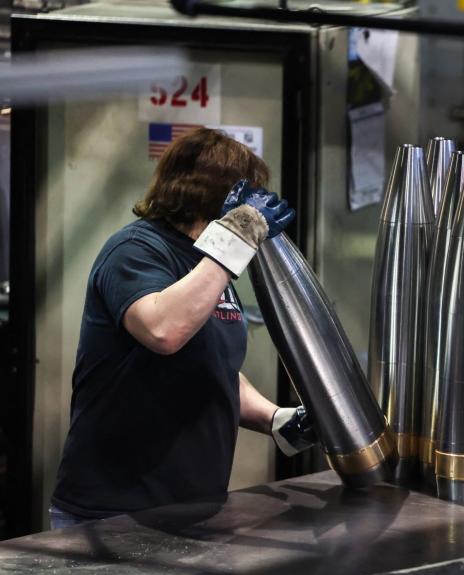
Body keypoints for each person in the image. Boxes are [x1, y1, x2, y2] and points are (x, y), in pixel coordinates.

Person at [49, 128, 316, 529]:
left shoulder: (205, 263)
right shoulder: (135, 250)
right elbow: (164, 331)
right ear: (215, 192)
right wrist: (236, 237)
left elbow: (212, 362)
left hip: (195, 506)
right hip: (116, 513)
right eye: (245, 193)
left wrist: (275, 418)